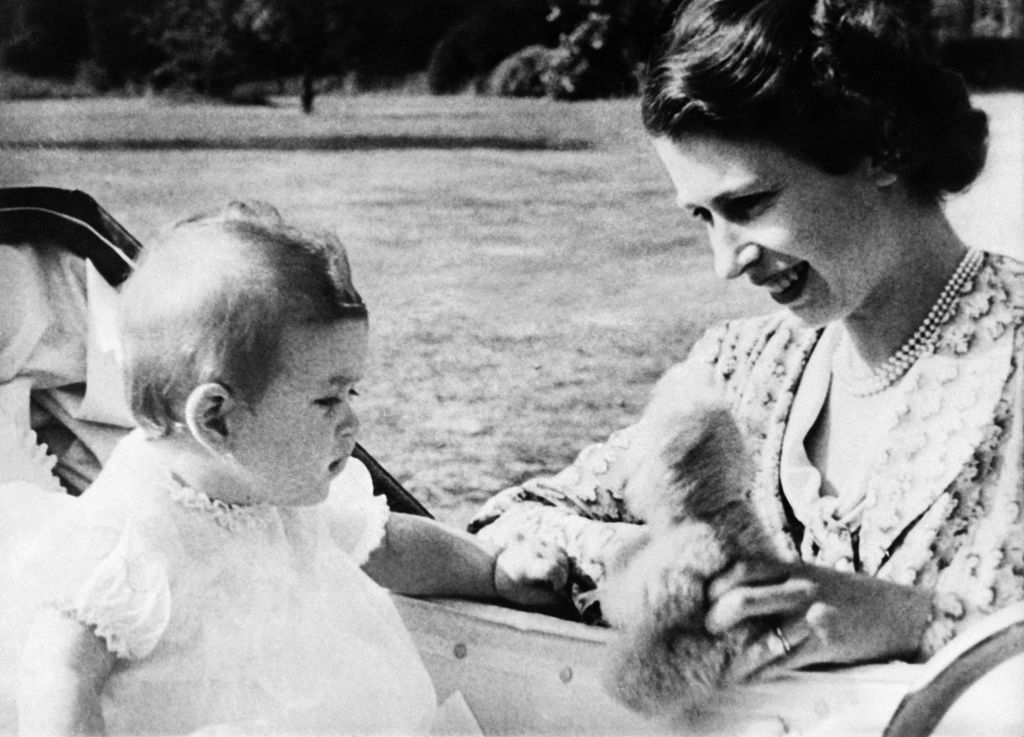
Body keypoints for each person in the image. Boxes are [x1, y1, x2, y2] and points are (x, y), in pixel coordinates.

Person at [471, 0, 1024, 691]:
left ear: (885, 149)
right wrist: (665, 563)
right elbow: (508, 516)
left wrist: (914, 621)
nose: (725, 262)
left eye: (750, 204)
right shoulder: (742, 371)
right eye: (703, 217)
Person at [3, 202, 556, 735]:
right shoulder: (130, 532)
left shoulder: (279, 484)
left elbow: (389, 547)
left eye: (351, 392)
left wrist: (491, 573)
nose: (351, 422)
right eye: (327, 400)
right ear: (218, 420)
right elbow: (58, 673)